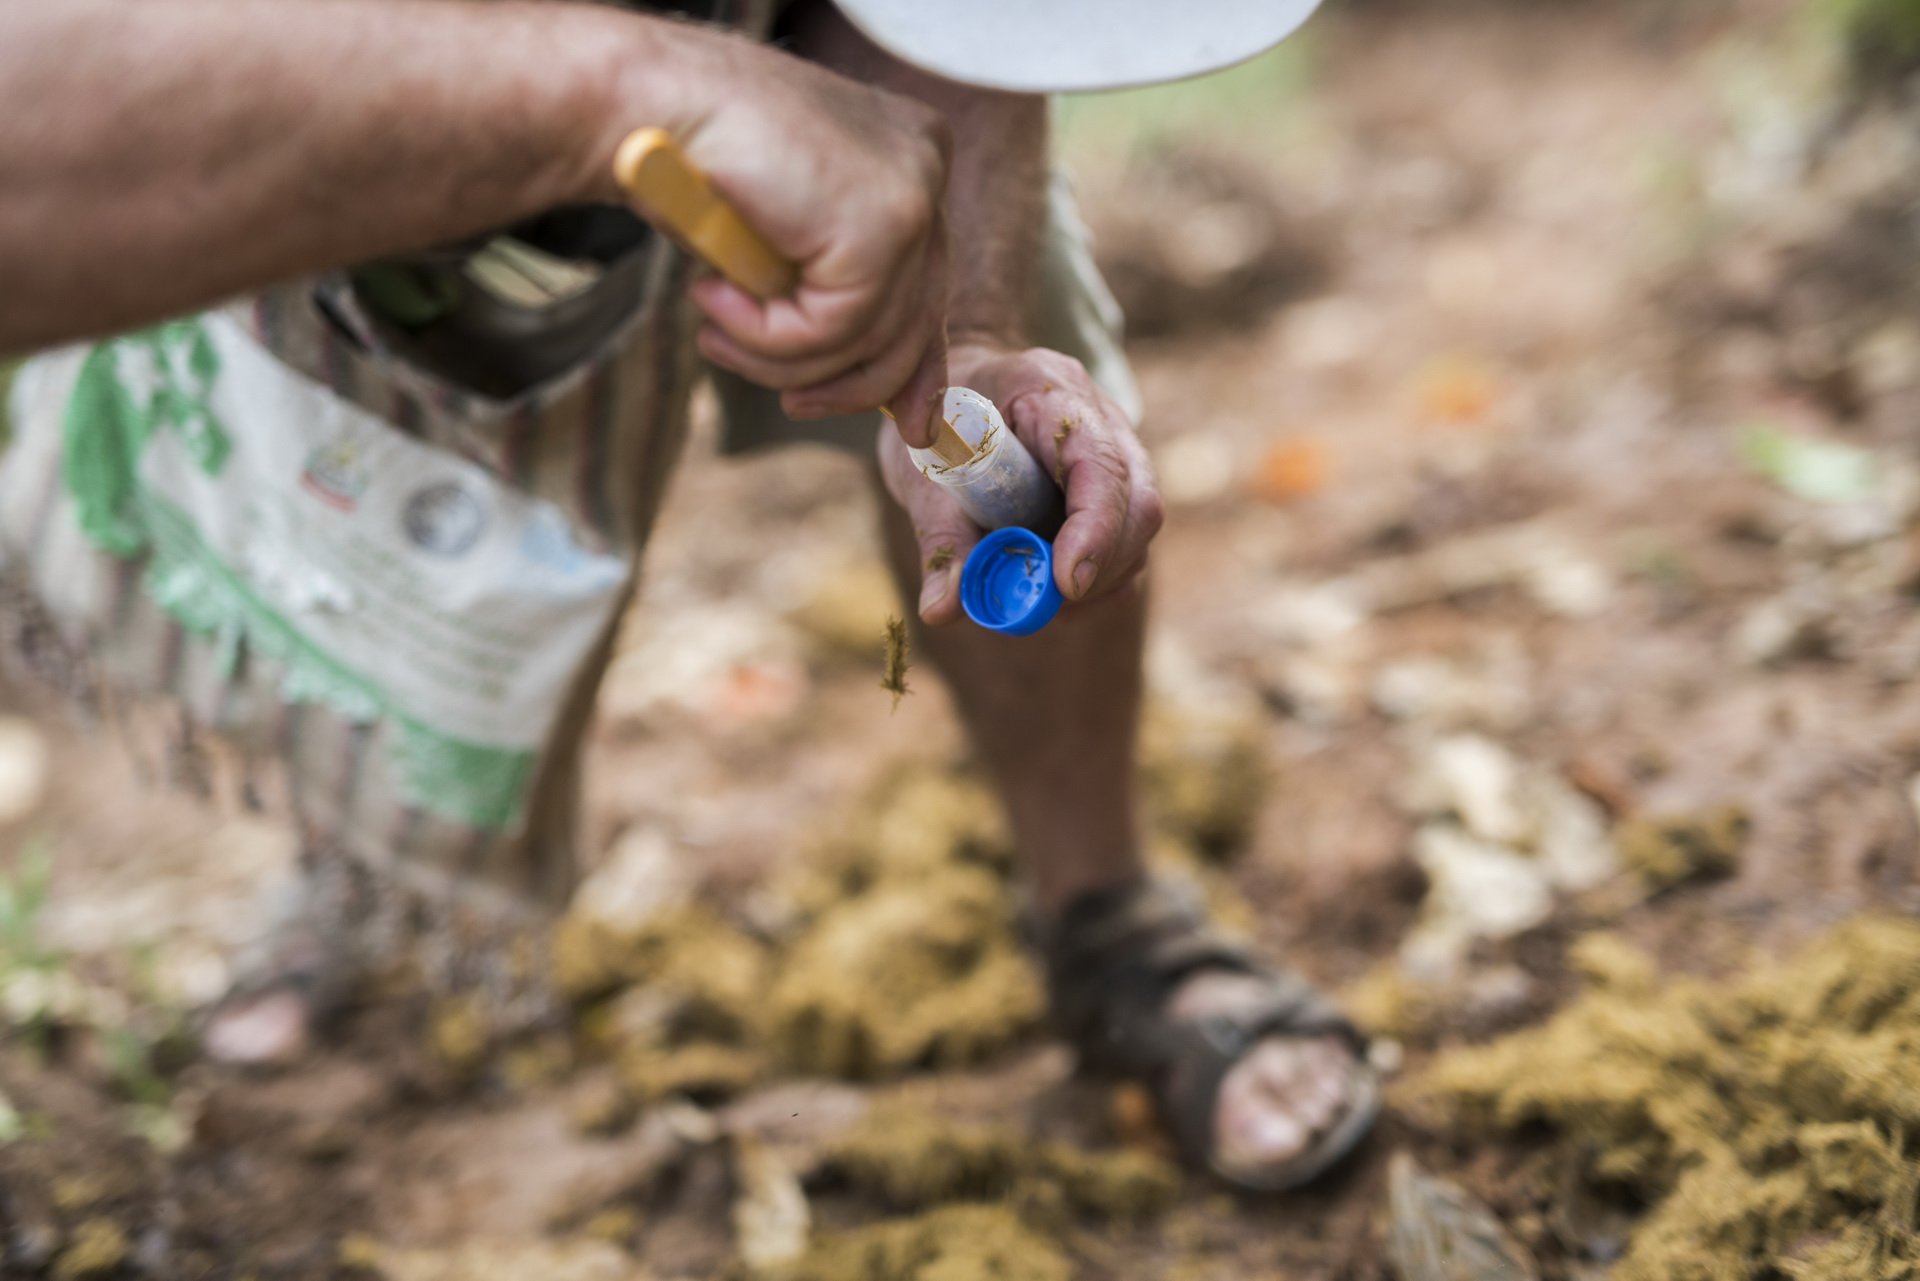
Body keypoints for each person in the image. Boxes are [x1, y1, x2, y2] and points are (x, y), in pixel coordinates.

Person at [0, 0, 1375, 1191]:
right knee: (353, 495)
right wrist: (624, 90)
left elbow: (965, 30)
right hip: (317, 91)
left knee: (1014, 438)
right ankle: (361, 867)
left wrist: (965, 328)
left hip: (736, 69)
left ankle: (1108, 916)